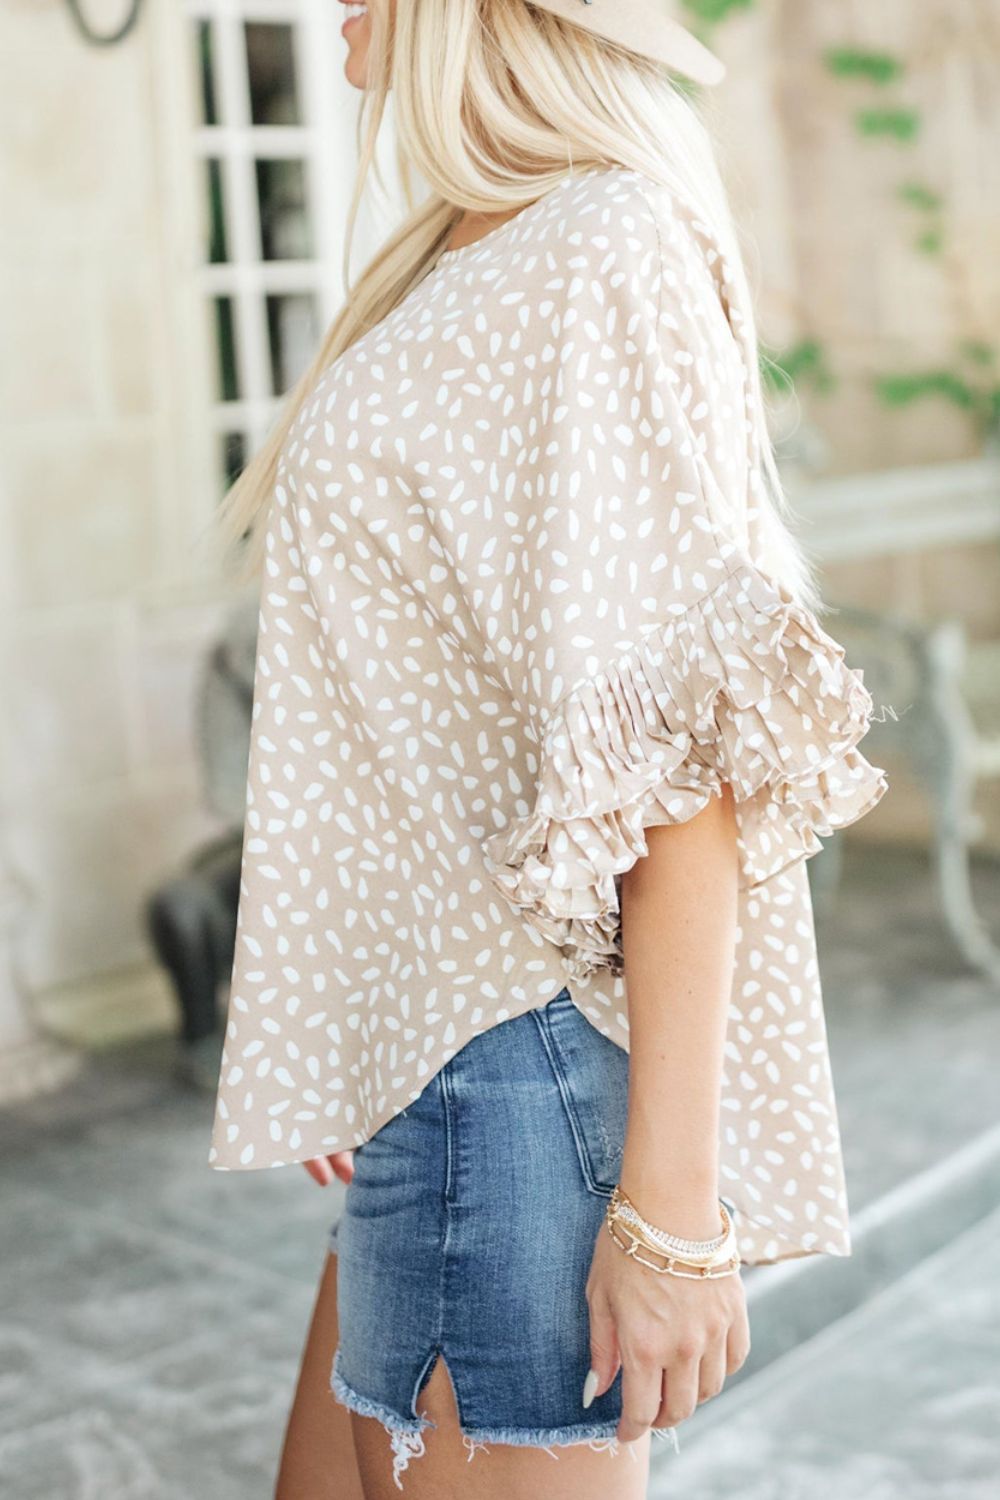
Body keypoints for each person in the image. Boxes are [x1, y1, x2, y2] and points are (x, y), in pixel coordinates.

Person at [207, 3, 889, 1496]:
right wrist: (357, 1008)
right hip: (441, 1067)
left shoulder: (601, 243)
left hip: (521, 1077)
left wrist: (671, 1215)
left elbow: (673, 756)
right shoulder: (453, 251)